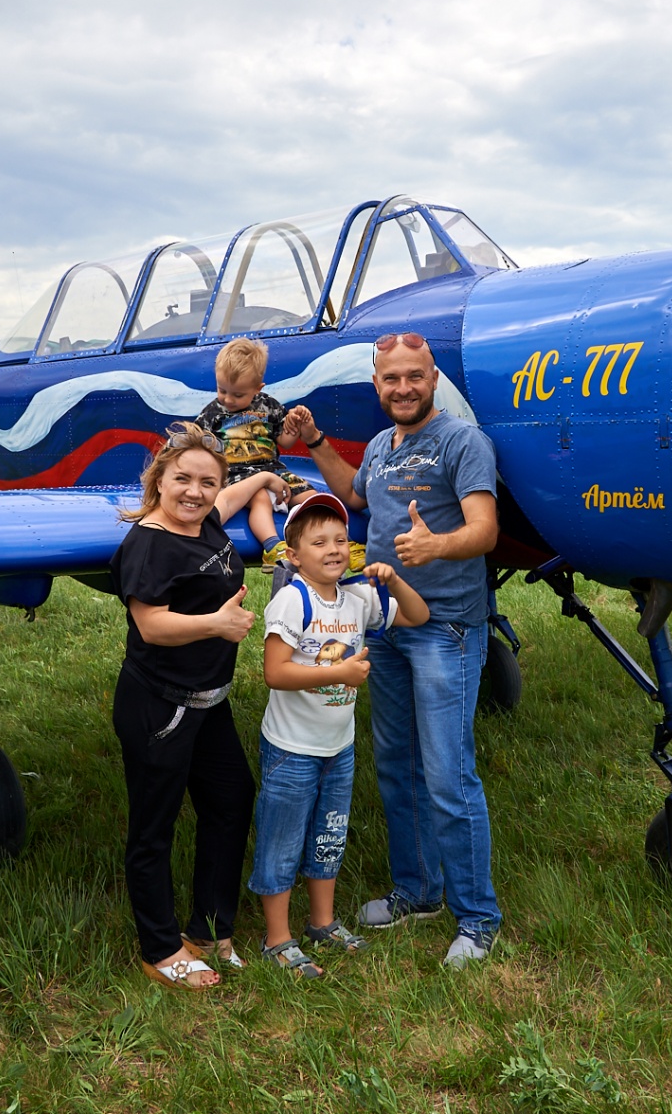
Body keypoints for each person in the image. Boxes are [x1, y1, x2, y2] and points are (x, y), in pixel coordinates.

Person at [286, 332, 502, 968]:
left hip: (446, 628)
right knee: (397, 764)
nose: (402, 388)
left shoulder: (463, 442)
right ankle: (417, 892)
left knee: (447, 773)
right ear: (376, 385)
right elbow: (357, 495)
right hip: (385, 626)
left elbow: (484, 529)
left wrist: (436, 547)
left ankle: (478, 917)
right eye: (390, 379)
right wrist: (319, 445)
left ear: (432, 379)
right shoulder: (383, 445)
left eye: (414, 376)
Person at [108, 421, 290, 990]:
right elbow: (153, 625)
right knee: (153, 828)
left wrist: (260, 475)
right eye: (182, 479)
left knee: (231, 797)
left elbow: (232, 497)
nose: (195, 492)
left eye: (206, 483)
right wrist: (217, 624)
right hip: (159, 704)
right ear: (158, 479)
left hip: (208, 701)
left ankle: (209, 930)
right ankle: (160, 948)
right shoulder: (148, 545)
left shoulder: (206, 517)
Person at [251, 492, 429, 978]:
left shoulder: (358, 597)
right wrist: (340, 676)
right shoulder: (293, 599)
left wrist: (396, 581)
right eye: (317, 542)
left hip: (338, 747)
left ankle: (322, 922)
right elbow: (274, 672)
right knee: (282, 839)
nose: (332, 549)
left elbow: (417, 617)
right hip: (292, 749)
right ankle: (277, 937)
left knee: (329, 836)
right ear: (294, 556)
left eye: (340, 539)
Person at [197, 338, 314, 571]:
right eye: (222, 391)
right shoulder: (213, 413)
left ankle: (338, 539)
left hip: (273, 469)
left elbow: (285, 442)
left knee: (309, 496)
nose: (228, 400)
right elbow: (200, 449)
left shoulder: (268, 406)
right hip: (237, 475)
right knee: (259, 496)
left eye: (238, 395)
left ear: (257, 388)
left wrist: (295, 425)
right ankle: (272, 546)